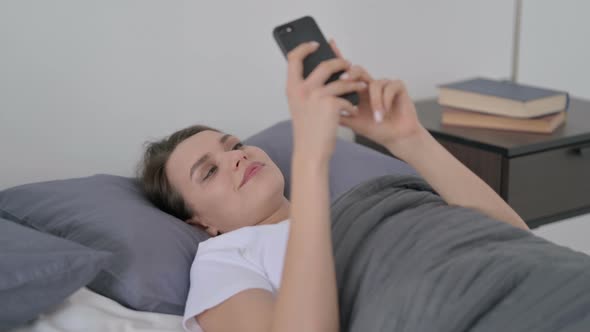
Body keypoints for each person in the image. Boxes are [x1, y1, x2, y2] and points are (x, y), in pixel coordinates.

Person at [137, 40, 529, 332]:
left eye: (235, 145)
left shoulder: (353, 208)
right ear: (202, 224)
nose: (236, 158)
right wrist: (311, 158)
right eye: (209, 172)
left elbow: (517, 243)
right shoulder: (224, 259)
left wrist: (410, 140)